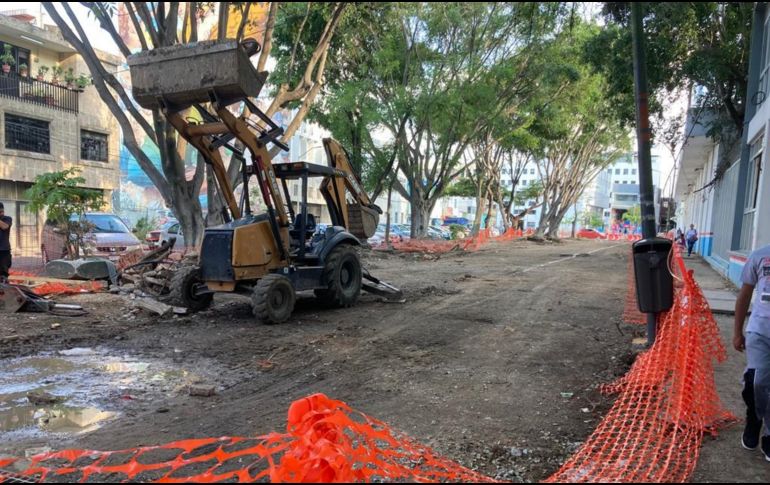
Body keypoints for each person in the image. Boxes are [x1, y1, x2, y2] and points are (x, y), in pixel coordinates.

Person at [734, 243, 770, 461]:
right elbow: (745, 294)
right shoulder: (759, 256)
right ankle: (754, 418)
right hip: (759, 331)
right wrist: (737, 332)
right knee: (756, 381)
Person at [0, 202, 12, 283]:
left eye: (2, 211)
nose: (2, 213)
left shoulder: (7, 219)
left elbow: (5, 227)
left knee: (3, 275)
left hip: (4, 251)